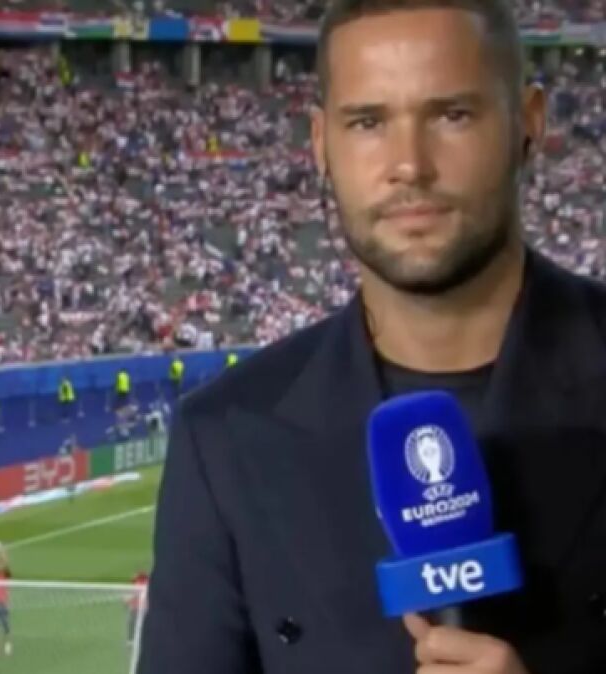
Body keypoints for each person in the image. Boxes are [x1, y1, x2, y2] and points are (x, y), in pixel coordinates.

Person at [139, 2, 606, 674]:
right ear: (321, 144)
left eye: (452, 115)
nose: (409, 165)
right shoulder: (224, 440)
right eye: (368, 122)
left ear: (528, 122)